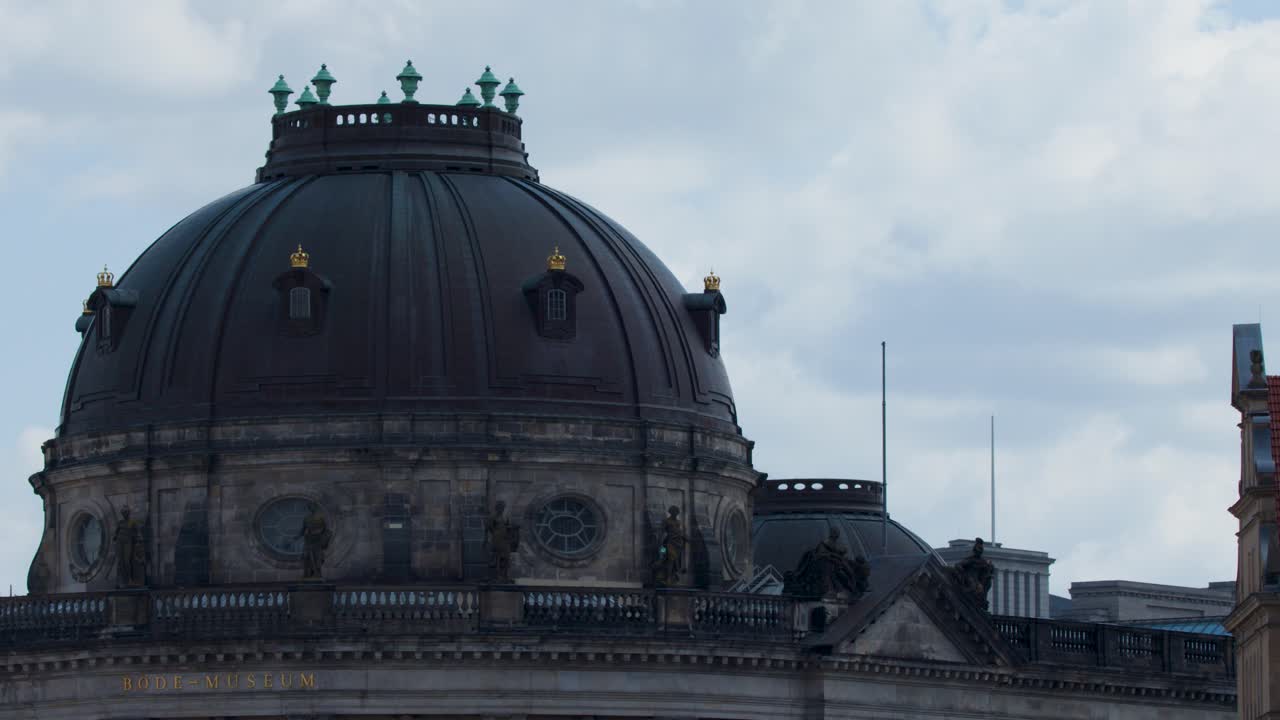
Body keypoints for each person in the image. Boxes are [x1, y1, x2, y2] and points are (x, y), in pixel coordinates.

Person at [486, 501, 520, 582]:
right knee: (499, 557)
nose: (502, 509)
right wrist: (492, 535)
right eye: (500, 507)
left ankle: (505, 575)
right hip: (497, 538)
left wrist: (512, 528)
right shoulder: (493, 517)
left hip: (505, 539)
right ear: (497, 508)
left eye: (503, 507)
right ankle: (499, 576)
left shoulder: (505, 517)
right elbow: (489, 528)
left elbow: (508, 526)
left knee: (506, 557)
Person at [652, 506, 686, 587]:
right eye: (674, 512)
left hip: (677, 544)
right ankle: (667, 578)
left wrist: (685, 537)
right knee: (668, 558)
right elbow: (661, 531)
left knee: (674, 561)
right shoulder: (666, 521)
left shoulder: (678, 522)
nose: (676, 514)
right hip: (668, 542)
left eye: (677, 512)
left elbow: (680, 532)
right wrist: (659, 541)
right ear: (671, 512)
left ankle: (671, 577)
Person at [113, 507, 146, 587]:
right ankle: (122, 581)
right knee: (121, 562)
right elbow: (116, 532)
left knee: (127, 561)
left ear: (129, 513)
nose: (125, 514)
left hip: (128, 542)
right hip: (120, 542)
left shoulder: (132, 522)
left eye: (126, 512)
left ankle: (129, 580)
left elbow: (138, 532)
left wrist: (139, 540)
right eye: (123, 513)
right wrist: (115, 537)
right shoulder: (120, 522)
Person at [300, 504, 333, 580]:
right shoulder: (306, 518)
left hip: (317, 541)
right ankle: (308, 574)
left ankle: (317, 574)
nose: (312, 509)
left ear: (316, 508)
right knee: (306, 557)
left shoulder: (321, 518)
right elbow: (302, 530)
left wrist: (324, 539)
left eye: (313, 507)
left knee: (317, 558)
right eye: (310, 507)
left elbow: (326, 530)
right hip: (308, 540)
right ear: (309, 509)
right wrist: (295, 537)